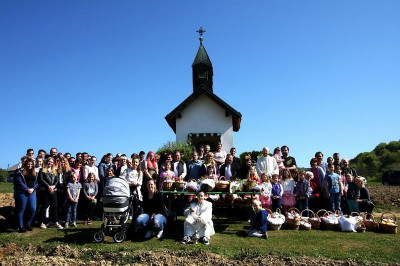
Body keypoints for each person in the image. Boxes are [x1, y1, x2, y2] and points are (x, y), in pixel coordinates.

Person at [37, 157, 63, 229]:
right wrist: (48, 186)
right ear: (46, 162)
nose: (50, 163)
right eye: (49, 162)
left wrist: (53, 186)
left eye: (51, 162)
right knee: (44, 206)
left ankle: (56, 222)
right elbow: (41, 179)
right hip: (45, 191)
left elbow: (57, 180)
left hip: (53, 190)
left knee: (54, 206)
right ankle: (41, 222)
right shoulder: (42, 170)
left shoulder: (54, 171)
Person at [14, 158, 38, 233]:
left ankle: (27, 223)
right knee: (21, 209)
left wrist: (33, 189)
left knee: (33, 208)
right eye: (28, 164)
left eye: (31, 164)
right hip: (22, 192)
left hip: (32, 192)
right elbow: (19, 182)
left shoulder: (35, 173)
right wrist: (27, 189)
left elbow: (37, 183)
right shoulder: (20, 172)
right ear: (25, 164)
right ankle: (21, 226)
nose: (30, 165)